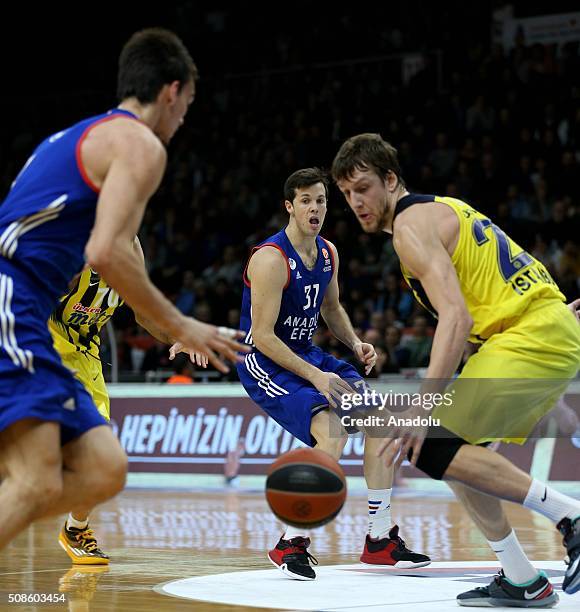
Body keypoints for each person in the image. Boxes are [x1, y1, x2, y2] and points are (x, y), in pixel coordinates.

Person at [0, 28, 246, 554]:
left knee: (104, 468)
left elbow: (127, 283)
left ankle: (62, 519)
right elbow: (102, 255)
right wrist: (185, 324)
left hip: (30, 311)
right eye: (188, 105)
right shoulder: (138, 143)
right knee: (38, 478)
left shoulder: (82, 141)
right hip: (16, 304)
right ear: (171, 92)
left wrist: (175, 334)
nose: (183, 120)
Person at [332, 133, 580, 606]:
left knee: (428, 442)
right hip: (536, 330)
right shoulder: (441, 210)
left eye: (362, 188)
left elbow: (456, 318)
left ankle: (572, 518)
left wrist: (424, 406)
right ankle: (522, 578)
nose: (355, 202)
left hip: (530, 334)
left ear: (390, 179)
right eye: (346, 194)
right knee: (458, 462)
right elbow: (471, 324)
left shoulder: (409, 228)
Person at [231, 168, 430, 579]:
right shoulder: (270, 259)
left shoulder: (327, 253)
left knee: (381, 427)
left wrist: (355, 344)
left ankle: (379, 540)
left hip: (307, 353)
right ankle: (292, 541)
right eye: (305, 200)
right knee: (333, 428)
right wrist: (318, 378)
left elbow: (332, 308)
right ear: (290, 206)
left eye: (320, 200)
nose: (315, 208)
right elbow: (264, 338)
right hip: (264, 361)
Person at [51, 238, 198, 563]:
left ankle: (76, 528)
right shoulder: (74, 236)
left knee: (100, 457)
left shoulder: (132, 249)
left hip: (85, 358)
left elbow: (143, 314)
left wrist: (178, 338)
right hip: (44, 344)